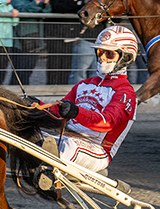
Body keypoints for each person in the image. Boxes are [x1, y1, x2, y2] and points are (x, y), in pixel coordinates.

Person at [38, 25, 139, 173]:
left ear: (126, 57)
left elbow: (106, 123)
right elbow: (57, 110)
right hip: (66, 137)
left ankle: (50, 175)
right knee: (31, 135)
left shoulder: (125, 92)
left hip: (97, 151)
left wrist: (75, 112)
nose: (102, 57)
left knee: (71, 146)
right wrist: (35, 105)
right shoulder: (83, 84)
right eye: (100, 51)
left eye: (109, 54)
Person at [11, 0, 52, 85]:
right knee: (20, 72)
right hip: (22, 40)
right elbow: (24, 10)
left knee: (29, 71)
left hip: (35, 39)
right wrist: (38, 0)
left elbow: (46, 12)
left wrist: (46, 1)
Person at [48, 0, 85, 85]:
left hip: (71, 35)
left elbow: (80, 10)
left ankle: (63, 89)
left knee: (66, 64)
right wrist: (73, 1)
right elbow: (58, 8)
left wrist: (72, 2)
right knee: (53, 64)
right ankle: (51, 87)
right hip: (55, 35)